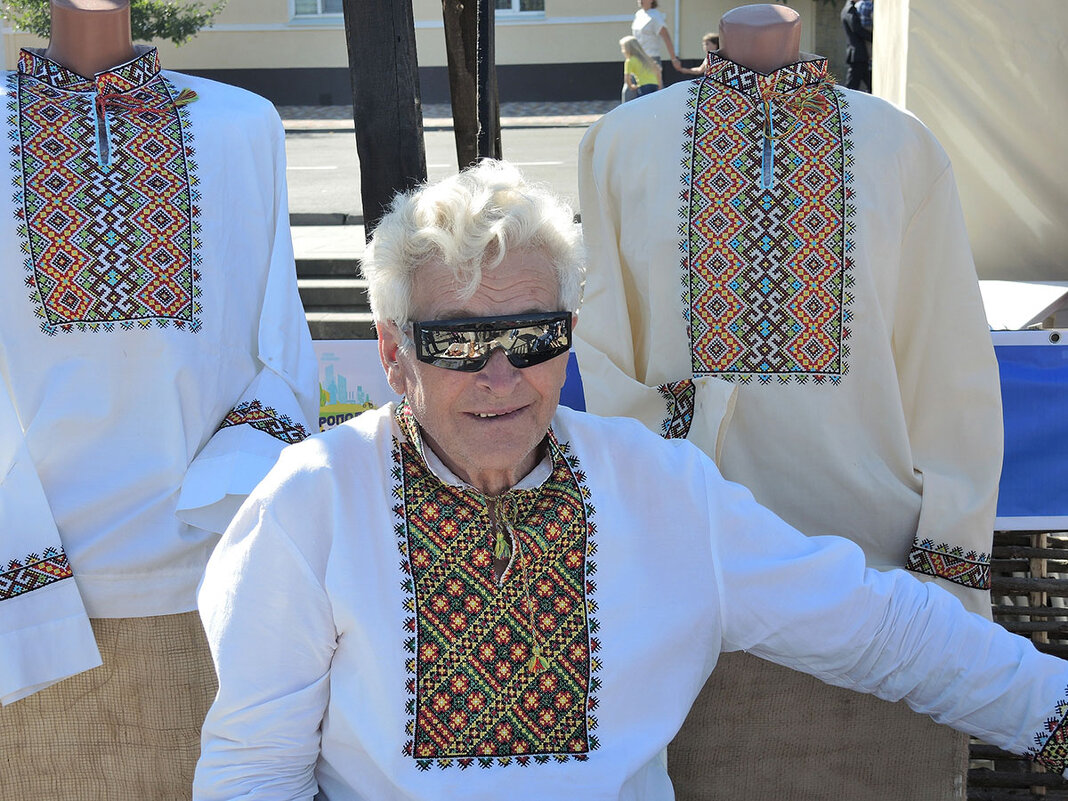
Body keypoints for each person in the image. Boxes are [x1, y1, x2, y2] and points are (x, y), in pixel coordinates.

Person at [194, 159, 1068, 801]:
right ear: (393, 354)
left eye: (531, 337)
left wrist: (1055, 712)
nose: (501, 377)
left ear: (568, 336)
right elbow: (252, 772)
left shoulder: (663, 490)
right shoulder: (310, 502)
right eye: (460, 343)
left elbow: (882, 628)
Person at [573, 3, 1000, 798]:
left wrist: (948, 583)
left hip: (873, 579)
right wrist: (679, 448)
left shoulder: (901, 148)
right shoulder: (621, 143)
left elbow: (949, 368)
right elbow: (603, 352)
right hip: (692, 588)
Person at [0, 1, 318, 798]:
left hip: (209, 593)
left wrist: (222, 503)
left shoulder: (244, 124)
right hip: (29, 600)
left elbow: (282, 341)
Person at [632, 0, 681, 73]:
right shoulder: (638, 14)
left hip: (651, 59)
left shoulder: (655, 16)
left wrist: (674, 59)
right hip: (637, 58)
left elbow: (666, 37)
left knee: (651, 84)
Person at [620, 34, 661, 102]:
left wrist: (631, 86)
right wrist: (659, 85)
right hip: (654, 85)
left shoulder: (630, 61)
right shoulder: (647, 58)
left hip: (643, 86)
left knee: (642, 105)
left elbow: (627, 78)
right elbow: (658, 71)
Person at [842, 0, 873, 91]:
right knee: (851, 86)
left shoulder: (850, 9)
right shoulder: (849, 10)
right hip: (857, 54)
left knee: (870, 84)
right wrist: (874, 38)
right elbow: (857, 29)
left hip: (858, 54)